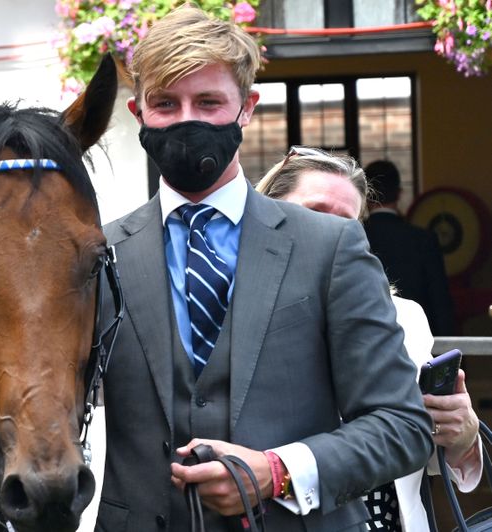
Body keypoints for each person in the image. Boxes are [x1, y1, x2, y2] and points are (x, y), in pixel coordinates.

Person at [96, 5, 434, 531]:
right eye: (165, 103)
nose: (187, 119)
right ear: (139, 114)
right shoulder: (99, 253)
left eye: (209, 102)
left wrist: (279, 472)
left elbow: (401, 426)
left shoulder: (329, 245)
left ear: (247, 108)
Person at [256, 147, 482, 532]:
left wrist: (461, 434)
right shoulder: (230, 317)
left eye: (346, 223)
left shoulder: (402, 317)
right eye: (313, 213)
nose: (329, 233)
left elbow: (417, 453)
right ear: (266, 217)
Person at [363, 160, 456, 336]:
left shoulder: (355, 236)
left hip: (368, 335)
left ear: (366, 195)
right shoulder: (423, 239)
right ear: (399, 193)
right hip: (417, 336)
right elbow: (440, 300)